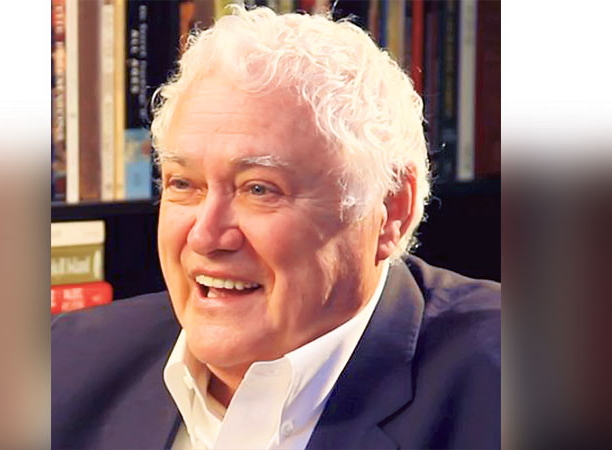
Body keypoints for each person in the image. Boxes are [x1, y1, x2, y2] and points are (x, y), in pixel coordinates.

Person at [52, 6, 500, 449]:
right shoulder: (62, 364)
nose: (205, 236)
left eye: (259, 189)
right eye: (183, 184)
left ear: (389, 210)